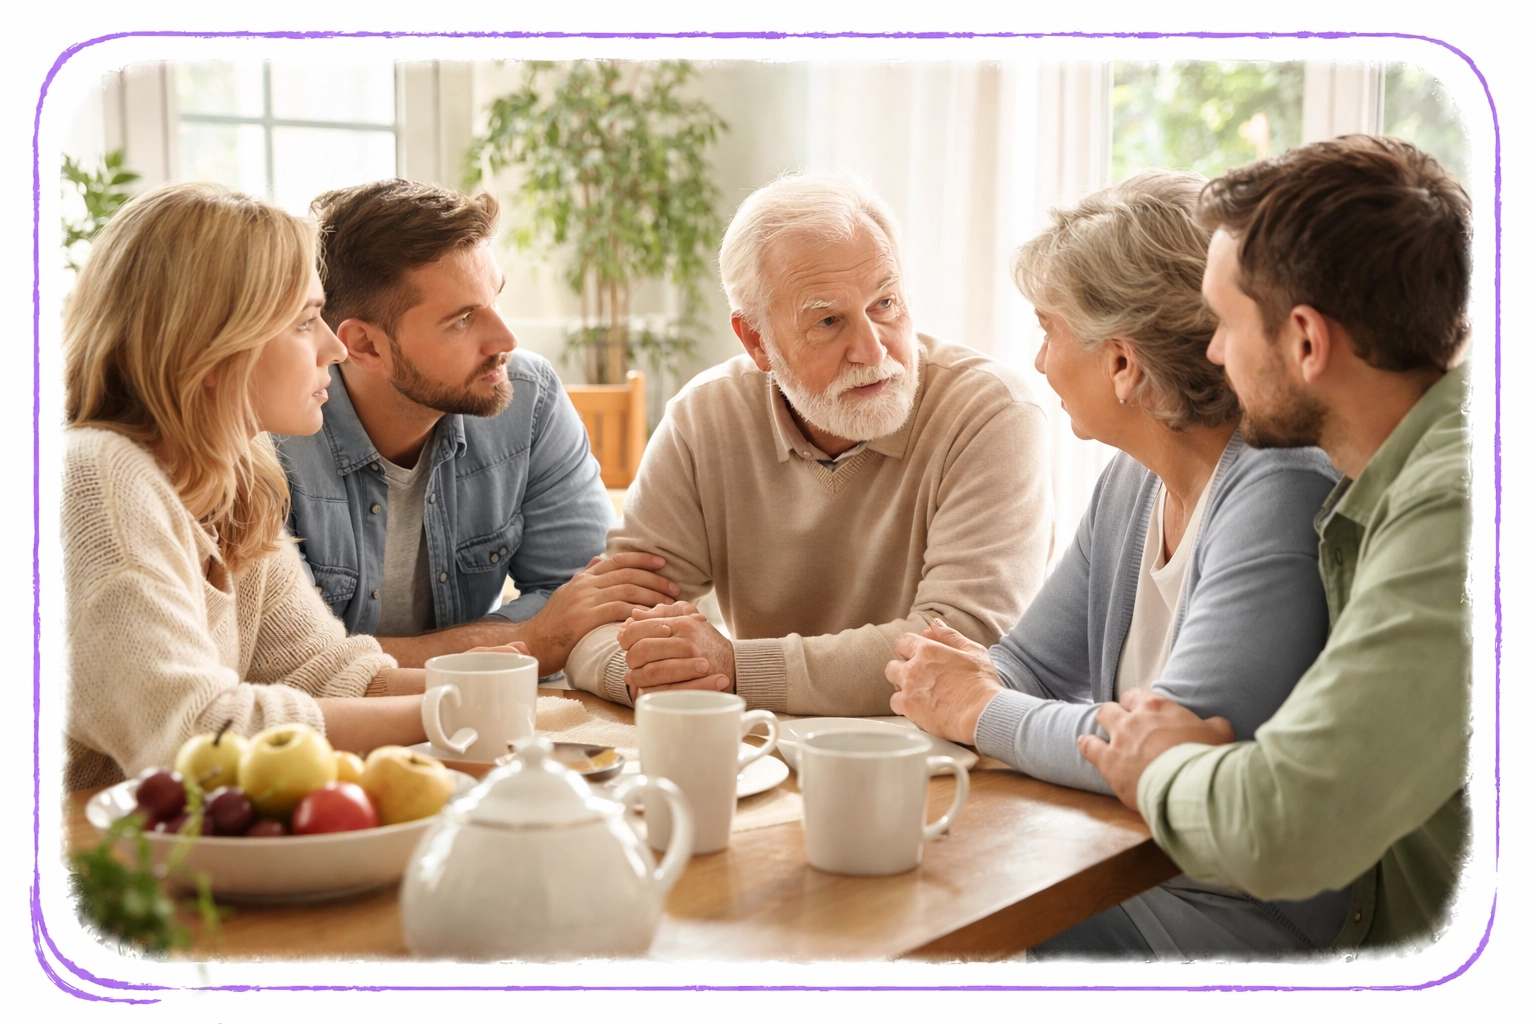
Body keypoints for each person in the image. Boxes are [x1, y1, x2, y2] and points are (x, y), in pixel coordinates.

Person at [884, 170, 1346, 957]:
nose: (1037, 360)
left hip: (1232, 919)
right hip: (1124, 871)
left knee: (930, 939)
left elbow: (1156, 754)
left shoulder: (1279, 487)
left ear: (1124, 363)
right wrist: (966, 684)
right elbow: (1025, 663)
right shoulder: (1133, 480)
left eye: (1050, 330)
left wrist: (976, 710)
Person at [1077, 135, 1472, 951]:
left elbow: (1285, 826)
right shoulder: (1408, 481)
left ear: (1305, 341)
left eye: (1223, 323)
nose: (1213, 352)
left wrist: (1156, 762)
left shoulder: (1460, 509)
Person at [560, 174, 1054, 713]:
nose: (871, 349)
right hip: (766, 757)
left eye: (885, 303)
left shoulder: (991, 413)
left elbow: (961, 643)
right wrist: (645, 672)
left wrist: (734, 668)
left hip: (941, 760)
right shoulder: (703, 419)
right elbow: (601, 621)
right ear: (756, 341)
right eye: (827, 320)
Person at [63, 183, 441, 791]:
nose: (335, 346)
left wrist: (492, 684)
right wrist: (443, 713)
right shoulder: (96, 479)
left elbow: (317, 670)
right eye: (303, 322)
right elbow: (200, 739)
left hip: (173, 848)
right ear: (210, 348)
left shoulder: (235, 474)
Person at [275, 180, 678, 678]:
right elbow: (290, 664)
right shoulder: (272, 438)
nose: (506, 340)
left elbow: (584, 602)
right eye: (463, 319)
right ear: (365, 347)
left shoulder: (527, 397)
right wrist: (526, 637)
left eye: (495, 300)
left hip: (480, 725)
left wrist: (538, 633)